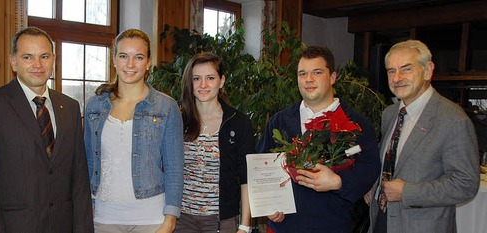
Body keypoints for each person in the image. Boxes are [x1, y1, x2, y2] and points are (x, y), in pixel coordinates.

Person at [0, 26, 93, 233]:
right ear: (13, 61)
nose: (38, 65)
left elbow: (79, 178)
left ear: (53, 59)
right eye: (28, 57)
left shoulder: (70, 107)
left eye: (44, 56)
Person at [256, 46, 381, 233]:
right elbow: (262, 165)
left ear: (332, 77)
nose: (308, 80)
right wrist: (268, 205)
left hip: (333, 225)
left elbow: (370, 167)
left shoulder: (355, 124)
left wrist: (339, 181)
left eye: (317, 72)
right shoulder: (279, 121)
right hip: (284, 226)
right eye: (302, 74)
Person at [367, 40, 479, 233]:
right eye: (391, 71)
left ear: (428, 70)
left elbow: (466, 183)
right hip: (381, 219)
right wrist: (374, 185)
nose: (397, 78)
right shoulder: (390, 113)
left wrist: (407, 193)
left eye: (406, 69)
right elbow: (391, 163)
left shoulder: (453, 119)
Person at [84, 28, 184, 233]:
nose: (130, 64)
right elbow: (88, 161)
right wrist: (88, 207)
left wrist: (170, 219)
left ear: (148, 62)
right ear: (114, 60)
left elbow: (174, 167)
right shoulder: (94, 106)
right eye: (123, 56)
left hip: (150, 219)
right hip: (103, 217)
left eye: (138, 57)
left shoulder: (166, 107)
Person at [174, 52, 254, 233]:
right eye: (196, 78)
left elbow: (246, 178)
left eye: (210, 78)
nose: (203, 85)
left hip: (221, 221)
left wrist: (245, 225)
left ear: (222, 81)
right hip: (182, 219)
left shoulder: (238, 122)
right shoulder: (178, 120)